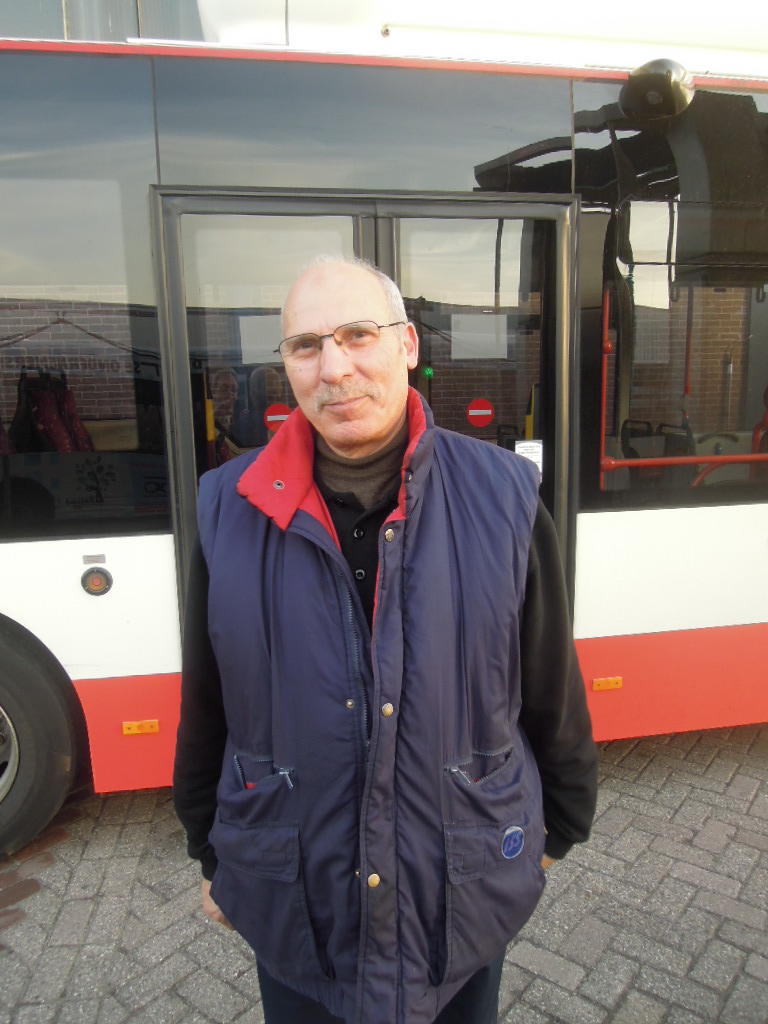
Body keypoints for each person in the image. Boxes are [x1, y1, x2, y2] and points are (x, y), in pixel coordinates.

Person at [173, 255, 598, 1024]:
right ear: (288, 368)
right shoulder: (224, 511)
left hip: (458, 901)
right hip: (298, 907)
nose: (334, 368)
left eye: (358, 335)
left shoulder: (504, 498)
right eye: (306, 346)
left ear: (406, 345)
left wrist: (559, 831)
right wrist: (212, 853)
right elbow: (209, 702)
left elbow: (548, 684)